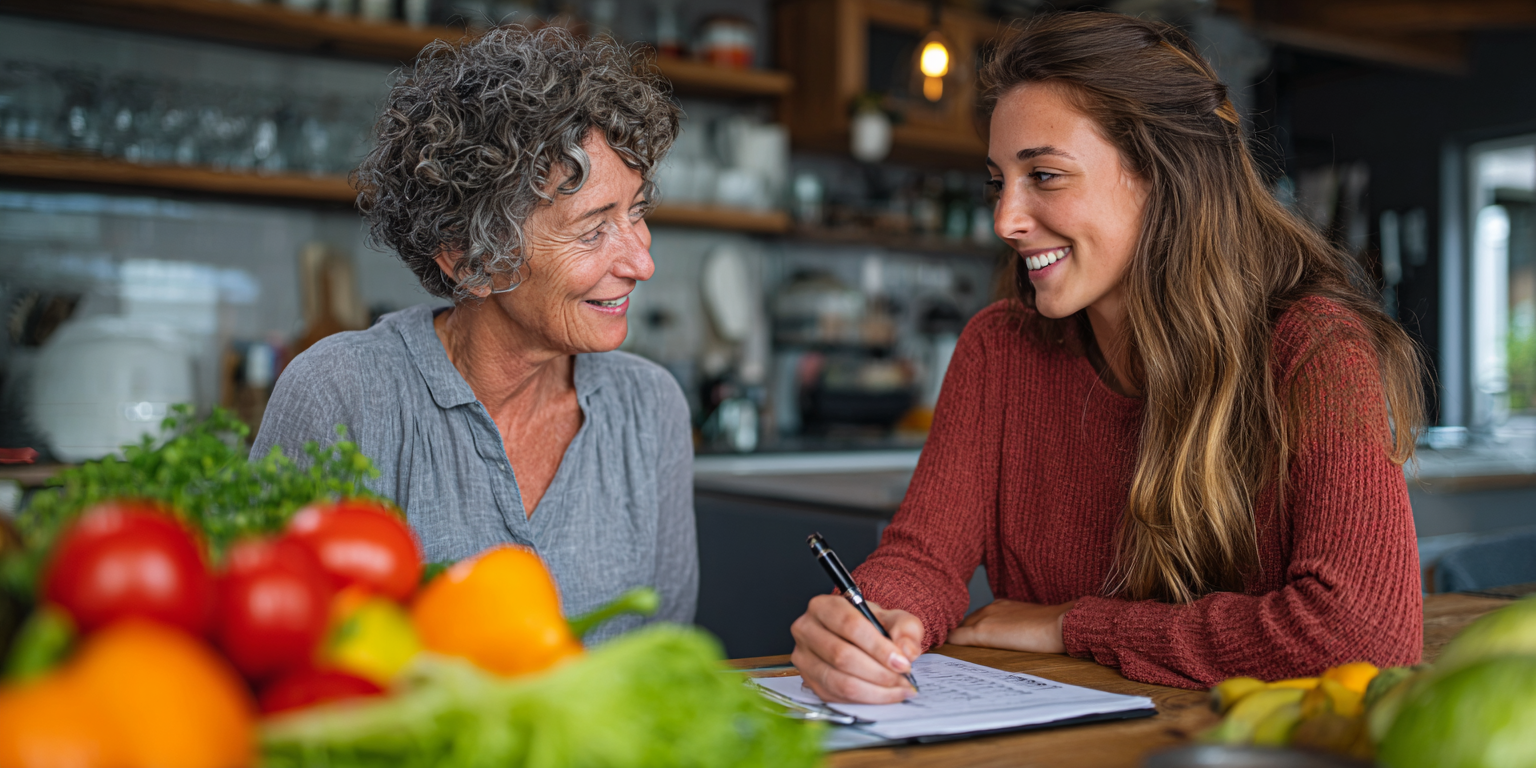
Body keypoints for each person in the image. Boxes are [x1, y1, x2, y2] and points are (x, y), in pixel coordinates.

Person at [790, 12, 1426, 701]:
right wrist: (876, 620)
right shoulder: (998, 349)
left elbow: (1363, 634)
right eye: (998, 181)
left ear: (1162, 175)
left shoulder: (1315, 350)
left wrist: (1076, 625)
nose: (1005, 219)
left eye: (1045, 175)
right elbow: (923, 560)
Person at [252, 27, 696, 641]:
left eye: (638, 211)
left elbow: (665, 659)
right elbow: (277, 648)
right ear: (470, 260)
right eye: (594, 229)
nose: (641, 262)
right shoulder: (341, 394)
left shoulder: (650, 407)